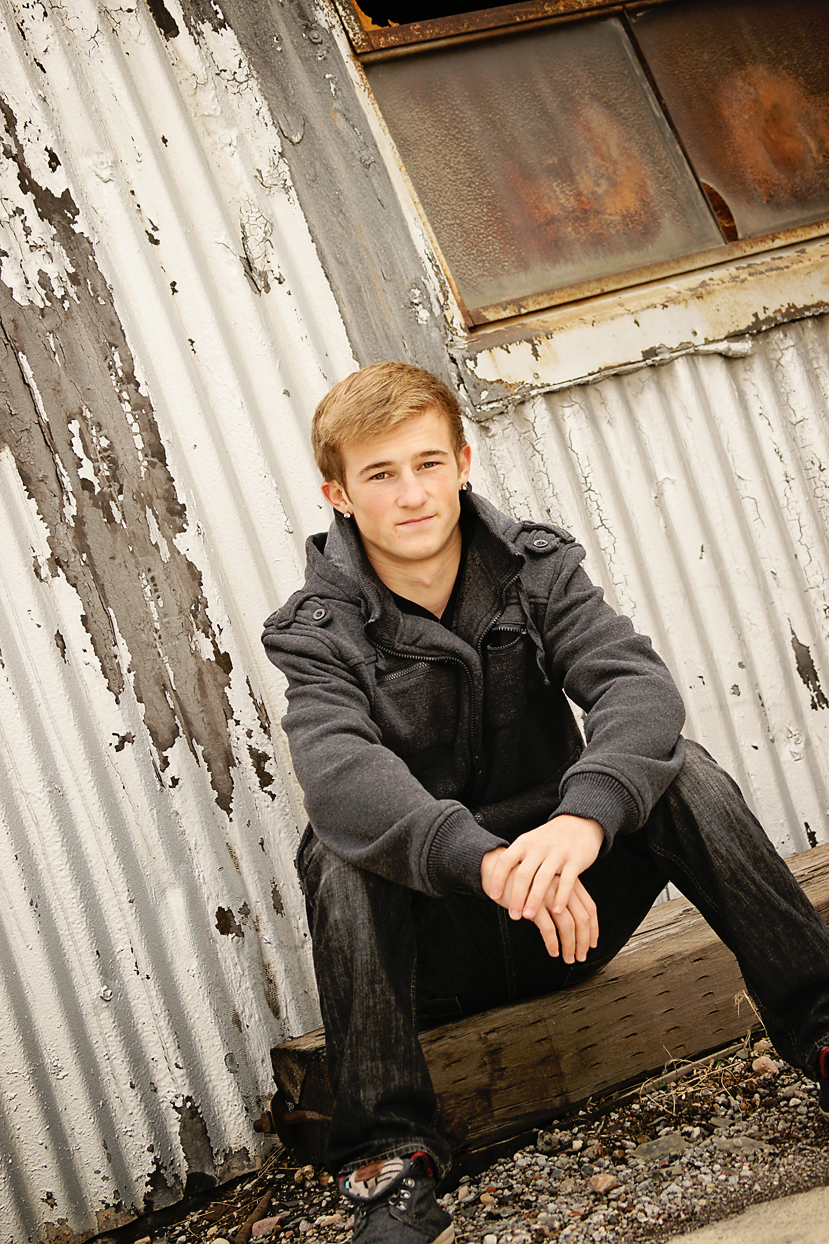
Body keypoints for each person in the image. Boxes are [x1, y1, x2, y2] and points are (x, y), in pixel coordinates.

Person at [262, 362, 829, 1244]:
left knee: (680, 769)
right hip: (441, 949)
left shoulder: (535, 570)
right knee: (337, 846)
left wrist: (581, 819)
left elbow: (633, 687)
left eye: (427, 463)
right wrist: (481, 860)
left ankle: (822, 1031)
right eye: (379, 474)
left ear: (462, 463)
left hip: (568, 915)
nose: (411, 494)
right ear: (338, 493)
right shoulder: (316, 633)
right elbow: (339, 771)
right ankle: (389, 1164)